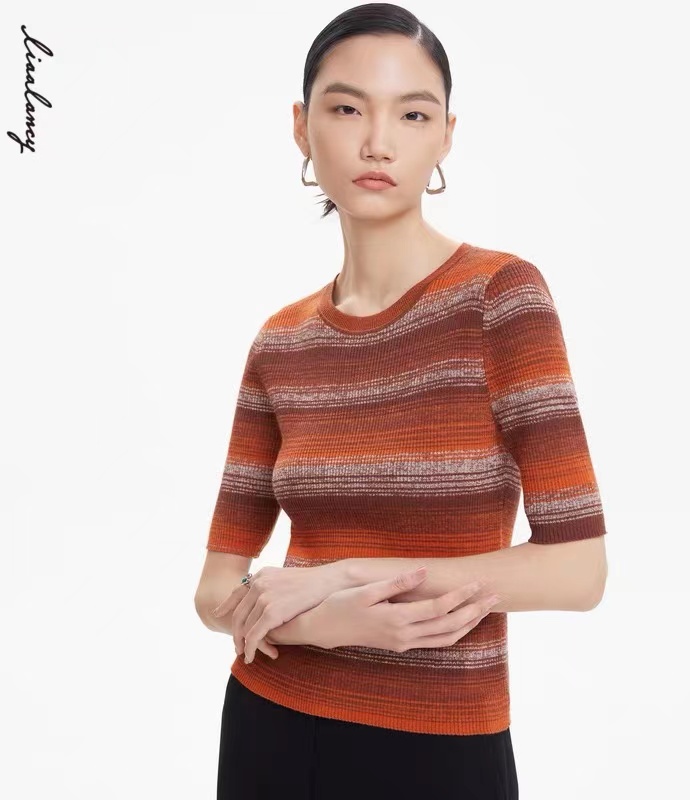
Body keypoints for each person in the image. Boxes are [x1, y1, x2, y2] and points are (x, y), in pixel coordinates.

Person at [193, 3, 608, 798]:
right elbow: (216, 590)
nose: (377, 142)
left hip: (440, 746)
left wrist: (342, 575)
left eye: (412, 115)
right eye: (347, 109)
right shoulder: (280, 342)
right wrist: (323, 621)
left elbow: (578, 570)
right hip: (269, 727)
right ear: (301, 127)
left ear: (445, 135)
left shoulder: (500, 300)